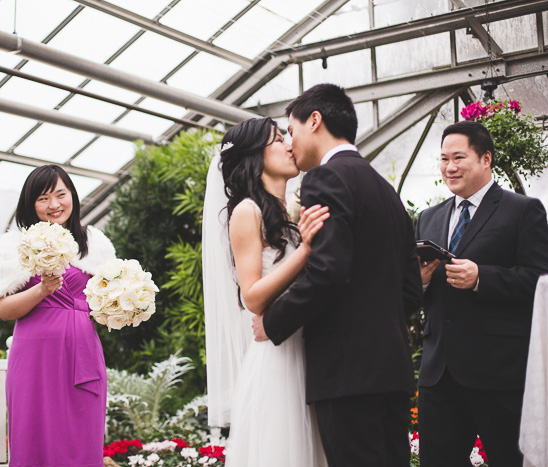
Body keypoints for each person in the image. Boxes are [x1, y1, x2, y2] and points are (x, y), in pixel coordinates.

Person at [252, 83, 423, 467]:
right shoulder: (384, 188)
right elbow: (411, 290)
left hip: (347, 375)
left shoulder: (324, 179)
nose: (290, 144)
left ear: (315, 120)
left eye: (291, 131)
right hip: (391, 371)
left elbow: (328, 272)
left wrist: (273, 321)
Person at [415, 121, 548, 466]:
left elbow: (540, 281)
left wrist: (481, 278)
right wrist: (422, 281)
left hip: (499, 373)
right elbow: (418, 295)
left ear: (486, 158)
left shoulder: (523, 210)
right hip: (439, 375)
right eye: (444, 159)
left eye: (459, 157)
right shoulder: (428, 218)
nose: (450, 167)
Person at [204, 117, 330, 467]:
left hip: (306, 346)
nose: (290, 145)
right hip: (277, 356)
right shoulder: (247, 211)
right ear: (255, 155)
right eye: (278, 139)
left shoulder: (289, 213)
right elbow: (253, 296)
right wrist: (305, 250)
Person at [0, 164, 116, 467]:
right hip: (34, 357)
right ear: (30, 204)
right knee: (34, 437)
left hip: (83, 352)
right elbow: (4, 309)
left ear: (73, 196)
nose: (55, 205)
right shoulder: (14, 245)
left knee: (82, 437)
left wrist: (119, 308)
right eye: (43, 198)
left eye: (61, 194)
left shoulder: (95, 243)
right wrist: (42, 289)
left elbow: (105, 304)